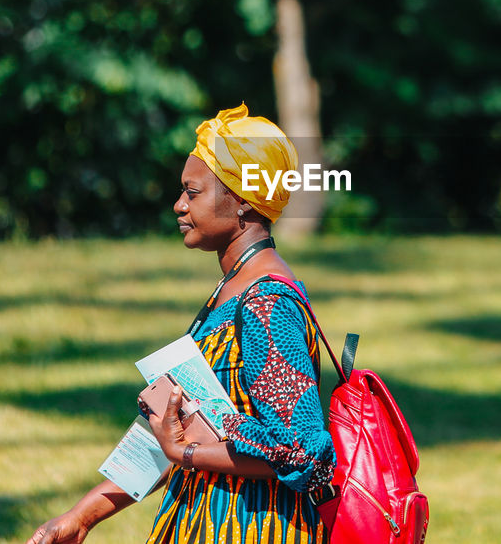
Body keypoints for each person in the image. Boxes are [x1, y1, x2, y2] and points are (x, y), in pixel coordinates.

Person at [26, 103, 335, 544]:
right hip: (202, 520)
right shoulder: (229, 291)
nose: (178, 205)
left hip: (253, 528)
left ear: (243, 199)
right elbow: (180, 428)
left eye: (192, 192)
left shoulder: (269, 303)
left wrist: (187, 452)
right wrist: (82, 516)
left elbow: (303, 451)